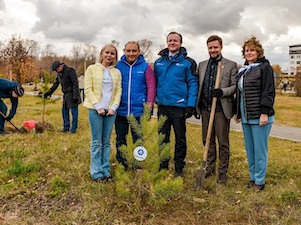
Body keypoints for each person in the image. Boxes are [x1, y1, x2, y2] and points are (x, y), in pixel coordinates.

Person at [234, 36, 275, 192]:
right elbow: (240, 94)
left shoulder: (265, 68)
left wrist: (264, 113)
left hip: (260, 116)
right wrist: (237, 113)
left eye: (252, 50)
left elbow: (268, 91)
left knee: (260, 150)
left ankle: (260, 181)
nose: (249, 53)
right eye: (246, 50)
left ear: (259, 52)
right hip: (246, 116)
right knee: (250, 149)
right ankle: (253, 178)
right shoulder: (243, 70)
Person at [154, 31, 198, 177]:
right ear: (167, 42)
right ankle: (163, 165)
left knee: (180, 138)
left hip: (179, 107)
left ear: (180, 43)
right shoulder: (158, 62)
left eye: (175, 41)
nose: (172, 43)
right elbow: (154, 83)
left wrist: (191, 104)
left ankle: (179, 167)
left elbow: (192, 83)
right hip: (163, 106)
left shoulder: (188, 62)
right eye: (170, 41)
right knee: (162, 138)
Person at [196, 35, 237, 184]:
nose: (213, 50)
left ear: (221, 47)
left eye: (215, 47)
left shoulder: (231, 65)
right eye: (210, 47)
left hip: (221, 110)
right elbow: (198, 85)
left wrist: (222, 92)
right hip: (206, 108)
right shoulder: (201, 65)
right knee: (207, 141)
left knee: (223, 143)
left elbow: (234, 87)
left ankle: (222, 173)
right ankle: (210, 168)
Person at [83, 44, 122, 182]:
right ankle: (96, 172)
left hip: (111, 112)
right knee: (96, 142)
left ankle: (106, 170)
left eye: (112, 53)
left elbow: (118, 91)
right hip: (96, 110)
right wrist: (98, 106)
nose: (109, 56)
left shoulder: (116, 72)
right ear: (102, 53)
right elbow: (88, 89)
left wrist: (113, 107)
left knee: (106, 141)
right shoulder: (92, 69)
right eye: (107, 52)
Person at [115, 41, 156, 169]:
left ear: (139, 52)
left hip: (138, 111)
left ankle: (138, 164)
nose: (131, 53)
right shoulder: (118, 66)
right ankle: (123, 163)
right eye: (128, 51)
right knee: (121, 139)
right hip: (120, 111)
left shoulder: (145, 67)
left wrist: (148, 107)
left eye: (134, 51)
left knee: (138, 140)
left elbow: (151, 87)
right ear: (124, 51)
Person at [44, 61, 81, 133]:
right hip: (66, 95)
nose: (56, 71)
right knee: (64, 111)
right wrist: (48, 93)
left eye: (56, 70)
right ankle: (66, 127)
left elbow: (75, 83)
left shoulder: (70, 70)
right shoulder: (59, 74)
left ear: (60, 66)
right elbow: (55, 84)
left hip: (73, 94)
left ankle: (73, 130)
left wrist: (76, 96)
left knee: (74, 113)